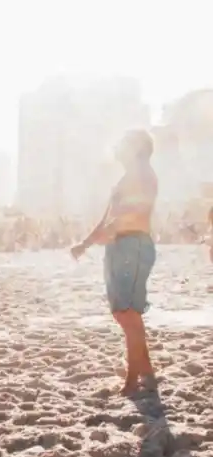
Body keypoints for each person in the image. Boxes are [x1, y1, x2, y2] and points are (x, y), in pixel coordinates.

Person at [71, 129, 158, 396]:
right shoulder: (125, 178)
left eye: (123, 144)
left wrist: (106, 230)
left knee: (128, 313)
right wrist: (85, 242)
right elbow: (107, 216)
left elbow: (136, 212)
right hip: (118, 245)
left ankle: (133, 380)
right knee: (123, 311)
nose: (117, 148)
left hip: (133, 244)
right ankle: (145, 370)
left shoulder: (143, 174)